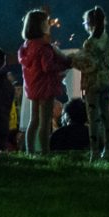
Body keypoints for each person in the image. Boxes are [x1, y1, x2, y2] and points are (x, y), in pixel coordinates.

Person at [19, 9, 72, 154]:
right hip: (46, 87)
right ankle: (44, 151)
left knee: (33, 120)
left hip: (33, 87)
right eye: (47, 22)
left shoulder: (25, 47)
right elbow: (48, 67)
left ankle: (30, 150)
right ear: (41, 26)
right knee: (45, 121)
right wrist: (65, 65)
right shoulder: (44, 47)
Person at [73, 6, 109, 160]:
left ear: (89, 23)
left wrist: (74, 61)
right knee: (106, 115)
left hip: (92, 84)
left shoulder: (89, 43)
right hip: (106, 82)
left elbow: (88, 65)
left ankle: (94, 151)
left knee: (93, 118)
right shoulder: (108, 40)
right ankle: (108, 149)